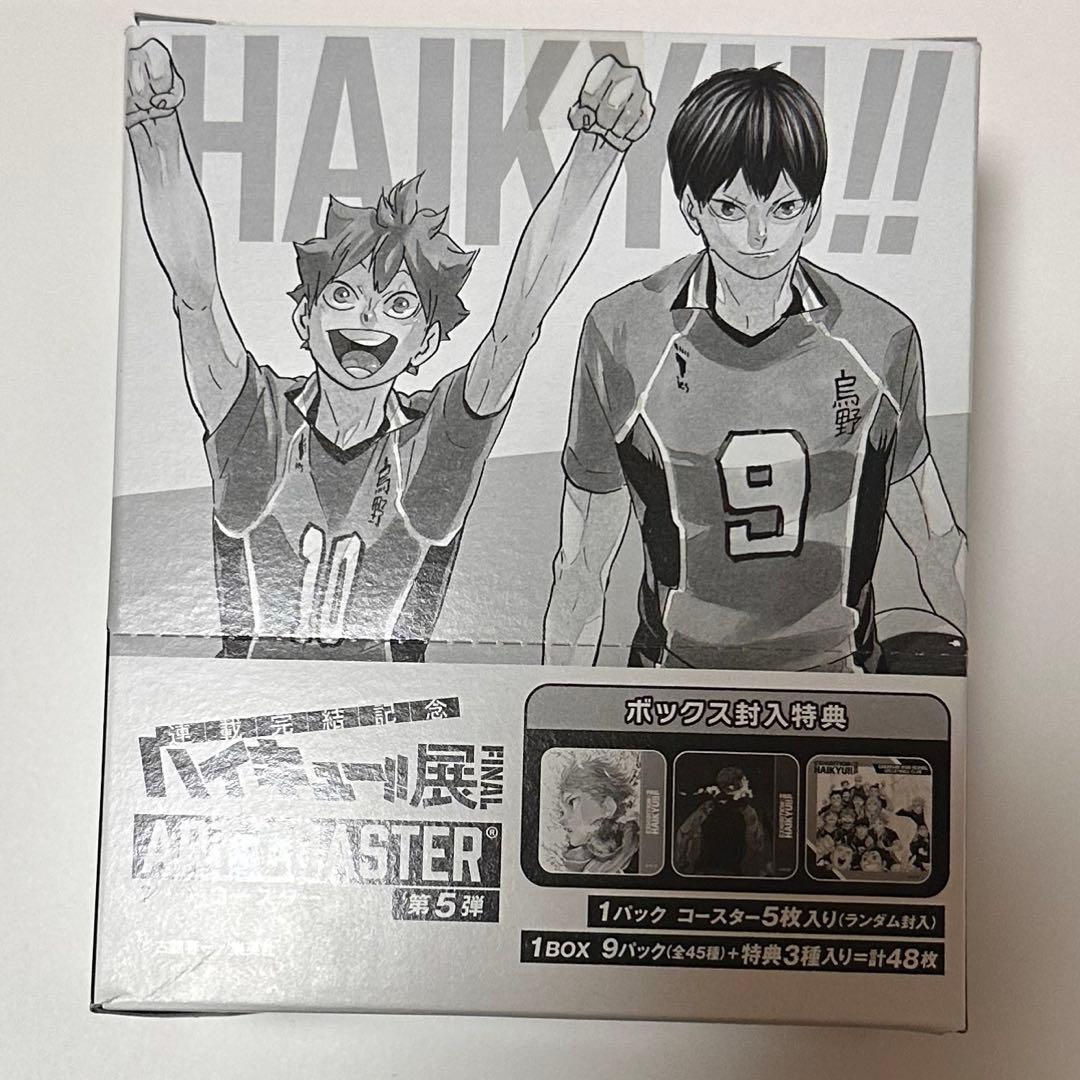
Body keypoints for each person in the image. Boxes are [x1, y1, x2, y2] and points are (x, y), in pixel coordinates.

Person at [125, 38, 653, 659]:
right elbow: (196, 296)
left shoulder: (435, 446)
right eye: (343, 295)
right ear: (304, 317)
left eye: (399, 304)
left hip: (395, 718)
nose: (368, 318)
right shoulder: (257, 427)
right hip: (251, 715)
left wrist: (598, 149)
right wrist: (154, 128)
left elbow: (519, 321)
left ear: (426, 341)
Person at [542, 64, 967, 673]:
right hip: (672, 681)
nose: (760, 235)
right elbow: (583, 566)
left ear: (813, 210)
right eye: (730, 207)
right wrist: (556, 706)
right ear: (691, 207)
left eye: (785, 206)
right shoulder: (624, 333)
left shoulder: (880, 338)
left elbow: (936, 542)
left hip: (841, 680)